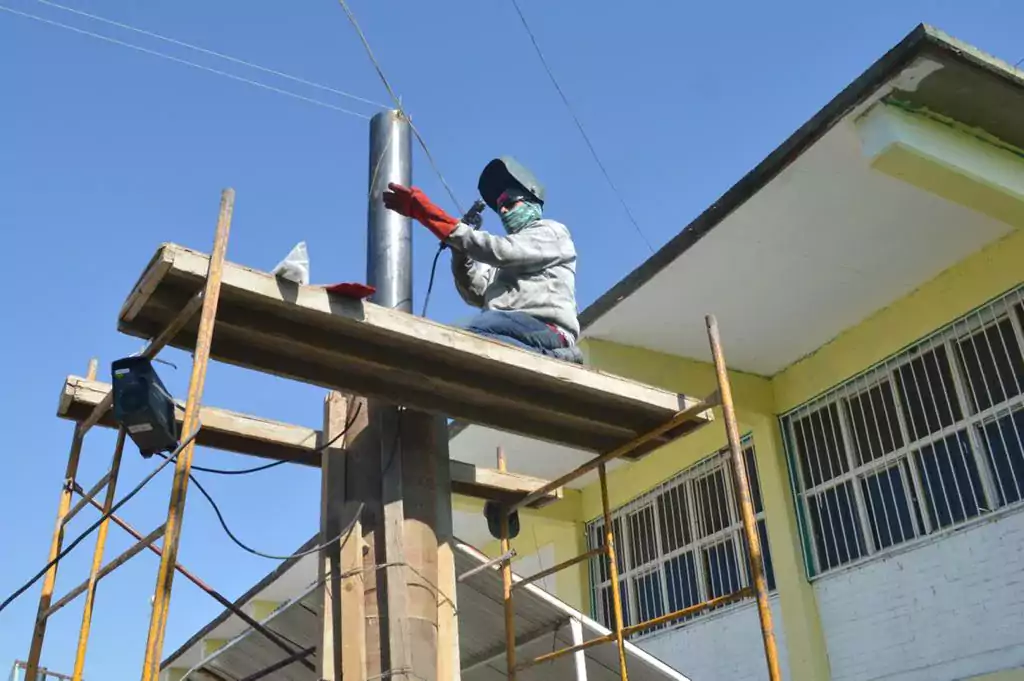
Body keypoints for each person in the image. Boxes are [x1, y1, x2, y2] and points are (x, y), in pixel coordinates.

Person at [383, 156, 583, 364]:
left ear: (531, 201)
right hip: (510, 329)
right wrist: (459, 250)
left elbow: (501, 250)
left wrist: (440, 222)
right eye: (499, 208)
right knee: (464, 345)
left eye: (509, 203)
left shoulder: (551, 232)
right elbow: (475, 292)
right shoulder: (503, 265)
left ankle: (559, 357)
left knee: (467, 333)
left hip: (546, 330)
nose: (503, 210)